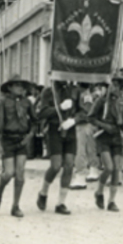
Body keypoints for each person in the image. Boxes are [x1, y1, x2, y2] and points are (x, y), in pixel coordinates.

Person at [0, 74, 37, 218]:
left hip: (22, 140)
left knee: (20, 173)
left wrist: (29, 137)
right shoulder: (3, 102)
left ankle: (15, 205)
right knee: (9, 173)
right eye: (17, 85)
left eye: (22, 86)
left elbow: (35, 122)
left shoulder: (27, 103)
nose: (20, 88)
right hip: (8, 140)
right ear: (10, 87)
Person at [36, 80, 80, 215]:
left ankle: (61, 203)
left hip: (70, 130)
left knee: (69, 165)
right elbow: (41, 112)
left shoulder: (75, 90)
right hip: (55, 130)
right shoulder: (48, 92)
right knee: (55, 165)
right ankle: (43, 193)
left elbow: (84, 111)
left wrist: (74, 120)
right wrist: (59, 108)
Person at [88, 73, 123, 212]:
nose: (116, 88)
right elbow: (91, 117)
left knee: (117, 169)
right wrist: (104, 125)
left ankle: (112, 201)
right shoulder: (101, 101)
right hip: (104, 136)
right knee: (109, 167)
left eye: (119, 86)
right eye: (114, 85)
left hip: (117, 136)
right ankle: (99, 192)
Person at [70, 83, 100, 189]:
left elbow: (86, 110)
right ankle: (92, 169)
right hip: (85, 123)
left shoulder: (83, 92)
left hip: (83, 123)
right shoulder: (84, 92)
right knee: (89, 148)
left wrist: (74, 117)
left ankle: (80, 176)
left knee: (80, 150)